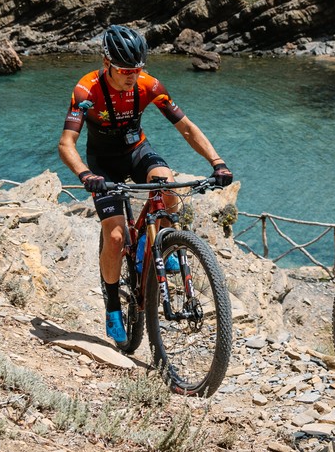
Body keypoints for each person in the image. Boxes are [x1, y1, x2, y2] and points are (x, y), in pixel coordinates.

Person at [58, 24, 233, 344]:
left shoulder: (149, 86)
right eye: (125, 70)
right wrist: (86, 175)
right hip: (103, 165)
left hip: (138, 151)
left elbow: (187, 128)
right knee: (113, 236)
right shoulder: (87, 90)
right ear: (106, 62)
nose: (131, 76)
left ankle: (150, 247)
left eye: (137, 69)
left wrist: (217, 162)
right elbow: (66, 144)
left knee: (169, 188)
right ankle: (112, 306)